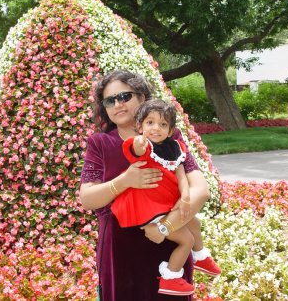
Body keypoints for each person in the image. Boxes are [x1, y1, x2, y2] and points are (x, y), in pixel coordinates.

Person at [80, 70, 213, 301]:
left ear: (142, 98)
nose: (118, 105)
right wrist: (125, 181)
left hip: (170, 249)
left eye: (125, 96)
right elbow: (87, 198)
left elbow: (200, 191)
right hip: (119, 253)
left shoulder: (170, 140)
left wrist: (164, 228)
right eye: (110, 100)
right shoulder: (100, 143)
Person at [110, 99, 221, 296]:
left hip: (165, 204)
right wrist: (139, 142)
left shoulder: (174, 148)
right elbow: (136, 149)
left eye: (163, 124)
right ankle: (171, 277)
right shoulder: (143, 147)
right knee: (186, 239)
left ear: (170, 131)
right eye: (149, 123)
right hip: (148, 207)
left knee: (194, 223)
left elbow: (181, 175)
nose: (156, 128)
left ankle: (200, 256)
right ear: (139, 126)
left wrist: (186, 197)